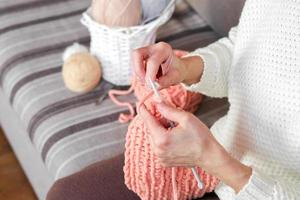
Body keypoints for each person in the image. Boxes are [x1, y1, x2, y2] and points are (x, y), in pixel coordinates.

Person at [47, 0, 299, 199]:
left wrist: (213, 160)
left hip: (254, 185)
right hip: (222, 148)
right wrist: (184, 68)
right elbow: (243, 47)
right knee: (65, 194)